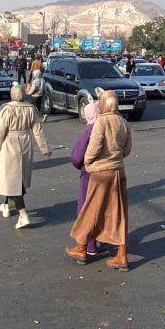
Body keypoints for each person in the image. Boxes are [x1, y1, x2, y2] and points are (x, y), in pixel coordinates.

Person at [66, 91, 132, 270]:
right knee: (119, 214)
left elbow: (93, 148)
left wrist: (88, 162)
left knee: (91, 211)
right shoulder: (124, 123)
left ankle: (82, 248)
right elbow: (127, 150)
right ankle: (122, 255)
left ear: (103, 105)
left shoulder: (102, 122)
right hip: (118, 171)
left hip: (101, 173)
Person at [0, 83, 50, 228]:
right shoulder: (31, 109)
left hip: (10, 143)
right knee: (16, 177)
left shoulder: (7, 109)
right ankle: (7, 205)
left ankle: (23, 214)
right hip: (25, 142)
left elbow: (0, 133)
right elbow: (38, 130)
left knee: (11, 178)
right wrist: (45, 148)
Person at [71, 102, 105, 260]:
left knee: (86, 208)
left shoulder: (87, 132)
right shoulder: (107, 128)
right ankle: (104, 238)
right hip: (107, 172)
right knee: (103, 207)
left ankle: (89, 246)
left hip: (89, 174)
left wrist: (82, 166)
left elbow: (76, 157)